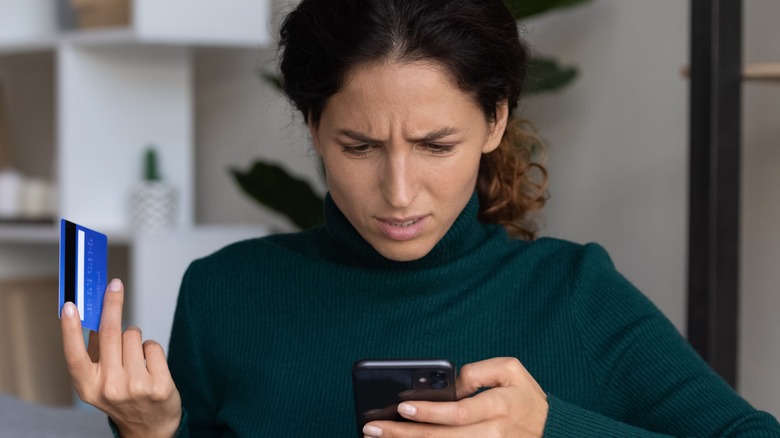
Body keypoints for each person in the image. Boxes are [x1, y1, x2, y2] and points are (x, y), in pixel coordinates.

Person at [60, 0, 780, 436]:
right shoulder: (225, 294)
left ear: (496, 121)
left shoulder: (574, 295)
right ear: (312, 127)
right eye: (359, 146)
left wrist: (549, 428)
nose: (399, 193)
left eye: (436, 145)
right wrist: (150, 432)